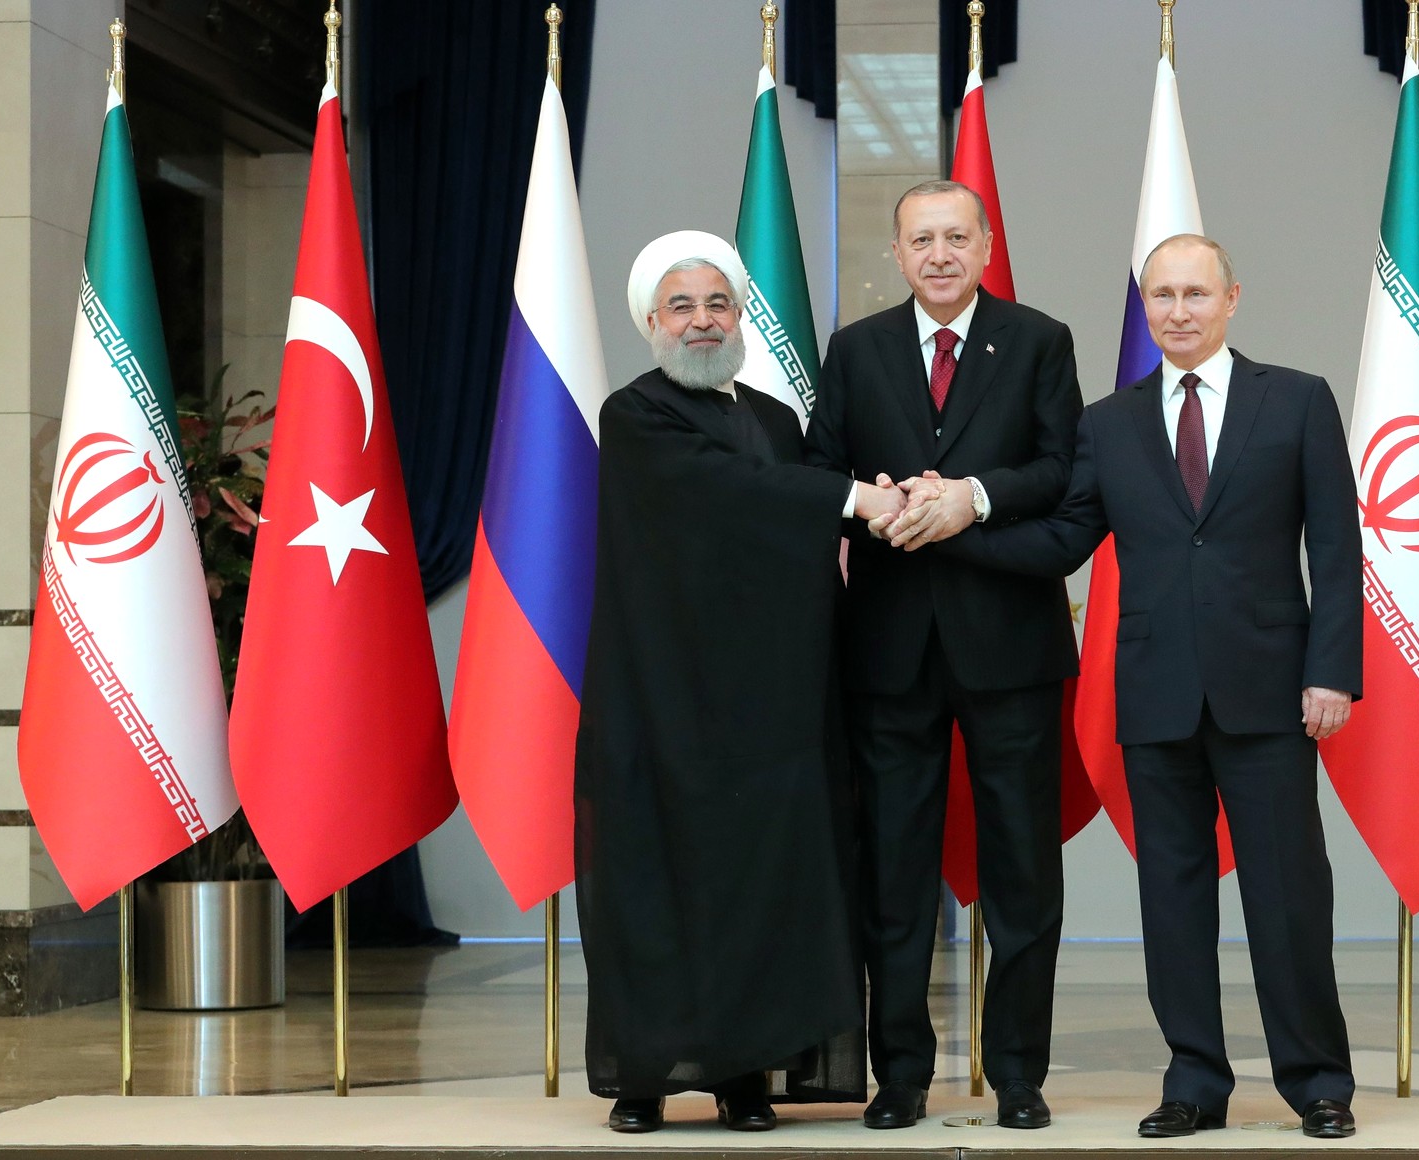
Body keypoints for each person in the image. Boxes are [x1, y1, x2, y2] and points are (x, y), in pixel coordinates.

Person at [883, 233, 1362, 1139]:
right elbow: (1063, 541)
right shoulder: (1108, 421)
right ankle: (1194, 1082)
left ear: (1231, 299)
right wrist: (953, 525)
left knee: (1289, 895)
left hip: (1271, 691)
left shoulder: (1296, 401)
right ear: (1146, 309)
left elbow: (1337, 549)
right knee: (1172, 896)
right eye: (1161, 297)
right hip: (1154, 692)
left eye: (1194, 294)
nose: (1177, 311)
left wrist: (1331, 671)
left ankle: (1317, 1082)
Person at [574, 231, 905, 1134]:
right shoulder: (633, 414)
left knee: (757, 886)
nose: (702, 321)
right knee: (652, 883)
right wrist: (845, 498)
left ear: (740, 317)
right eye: (681, 306)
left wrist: (869, 501)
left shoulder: (777, 421)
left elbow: (783, 540)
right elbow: (720, 497)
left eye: (718, 303)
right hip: (659, 699)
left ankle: (741, 1077)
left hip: (763, 706)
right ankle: (643, 1078)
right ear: (651, 321)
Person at [803, 180, 1083, 1130]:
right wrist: (866, 498)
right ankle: (903, 1077)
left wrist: (973, 496)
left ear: (986, 243)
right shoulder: (856, 351)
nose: (938, 254)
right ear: (897, 253)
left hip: (1009, 642)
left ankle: (1017, 1074)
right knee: (894, 876)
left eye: (956, 237)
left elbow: (1060, 467)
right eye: (920, 240)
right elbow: (816, 470)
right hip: (888, 650)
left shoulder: (1040, 340)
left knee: (1022, 875)